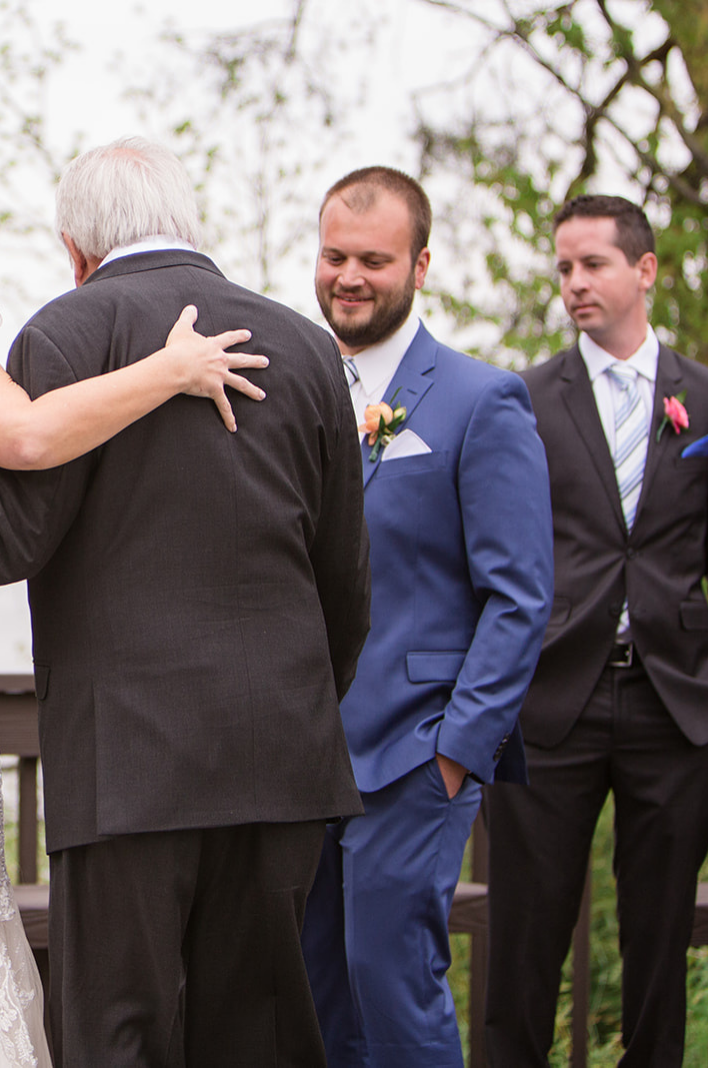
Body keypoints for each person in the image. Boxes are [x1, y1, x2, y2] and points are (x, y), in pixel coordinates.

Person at [0, 137, 371, 1067]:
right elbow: (345, 580)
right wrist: (302, 706)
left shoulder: (66, 334)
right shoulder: (304, 344)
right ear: (187, 221)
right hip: (280, 751)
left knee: (118, 1032)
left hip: (125, 758)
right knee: (265, 1032)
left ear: (75, 245)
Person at [295, 167, 553, 1067]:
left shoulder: (485, 401)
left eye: (374, 258)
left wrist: (456, 753)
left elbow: (520, 597)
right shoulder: (291, 390)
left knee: (394, 985)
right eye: (334, 256)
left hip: (414, 752)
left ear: (421, 263)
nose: (349, 276)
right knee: (316, 993)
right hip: (302, 755)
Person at [485, 195, 708, 1066]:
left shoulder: (702, 397)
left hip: (673, 702)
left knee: (660, 940)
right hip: (551, 700)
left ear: (644, 270)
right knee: (524, 937)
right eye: (564, 268)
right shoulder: (522, 399)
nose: (574, 283)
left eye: (594, 265)